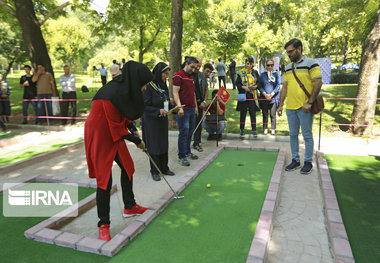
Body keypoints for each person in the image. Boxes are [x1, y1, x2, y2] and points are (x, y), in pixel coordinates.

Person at [85, 61, 153, 241]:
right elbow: (115, 127)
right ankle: (103, 224)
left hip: (114, 131)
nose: (144, 88)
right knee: (104, 180)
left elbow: (123, 112)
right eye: (144, 85)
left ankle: (129, 206)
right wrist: (137, 141)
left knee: (128, 167)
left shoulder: (123, 89)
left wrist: (132, 127)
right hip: (100, 135)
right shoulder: (109, 93)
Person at [277, 38, 322, 175]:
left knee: (307, 135)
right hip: (290, 108)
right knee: (293, 135)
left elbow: (318, 82)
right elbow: (284, 87)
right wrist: (280, 105)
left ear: (299, 49)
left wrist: (309, 102)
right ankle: (295, 160)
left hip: (304, 108)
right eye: (287, 52)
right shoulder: (287, 66)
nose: (289, 54)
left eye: (290, 51)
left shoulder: (311, 63)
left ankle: (308, 162)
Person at [142, 62, 176, 181]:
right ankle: (155, 170)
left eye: (167, 74)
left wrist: (174, 108)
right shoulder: (149, 86)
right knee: (154, 145)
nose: (166, 76)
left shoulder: (163, 84)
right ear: (158, 73)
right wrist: (158, 110)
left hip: (162, 120)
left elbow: (165, 101)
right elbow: (144, 106)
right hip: (151, 120)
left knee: (163, 144)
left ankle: (164, 168)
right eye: (165, 74)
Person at [172, 56, 199, 166]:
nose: (193, 70)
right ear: (186, 64)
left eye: (195, 68)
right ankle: (181, 156)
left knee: (190, 132)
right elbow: (175, 93)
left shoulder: (191, 77)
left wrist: (196, 107)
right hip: (183, 109)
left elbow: (193, 94)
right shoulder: (178, 76)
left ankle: (187, 152)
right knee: (183, 132)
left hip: (192, 109)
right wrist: (179, 107)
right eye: (192, 67)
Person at [236, 56, 261, 139]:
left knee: (252, 113)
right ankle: (242, 130)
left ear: (252, 64)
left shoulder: (255, 72)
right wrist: (244, 87)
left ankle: (254, 130)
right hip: (243, 95)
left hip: (252, 95)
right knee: (243, 113)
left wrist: (254, 87)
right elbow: (238, 84)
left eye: (250, 64)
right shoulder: (241, 72)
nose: (248, 65)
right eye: (247, 63)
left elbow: (259, 83)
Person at [192, 58, 210, 152]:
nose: (198, 67)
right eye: (197, 65)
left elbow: (207, 89)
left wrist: (204, 101)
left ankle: (196, 143)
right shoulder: (189, 74)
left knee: (199, 124)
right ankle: (188, 144)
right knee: (190, 124)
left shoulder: (201, 75)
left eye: (200, 66)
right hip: (190, 104)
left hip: (200, 103)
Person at [260, 59, 281, 135]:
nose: (270, 67)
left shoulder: (276, 74)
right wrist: (265, 94)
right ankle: (265, 128)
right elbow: (260, 86)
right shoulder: (262, 75)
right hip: (264, 98)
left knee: (273, 114)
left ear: (273, 65)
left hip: (273, 98)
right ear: (266, 66)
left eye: (271, 65)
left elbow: (278, 85)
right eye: (268, 65)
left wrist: (272, 94)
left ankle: (273, 129)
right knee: (265, 114)